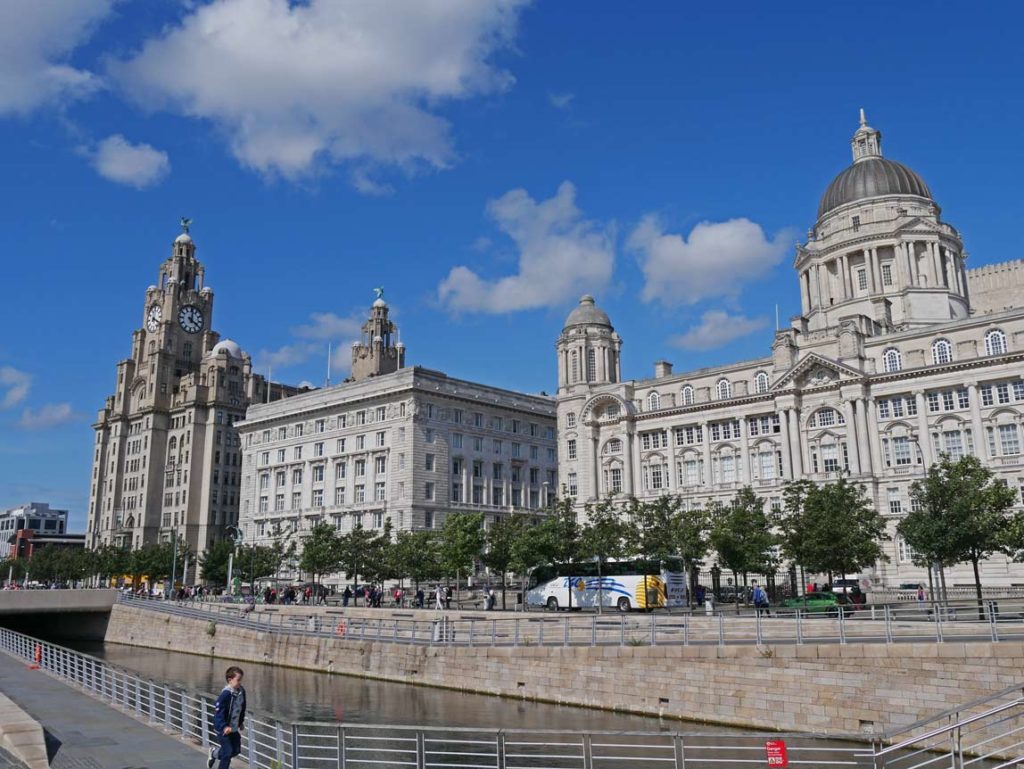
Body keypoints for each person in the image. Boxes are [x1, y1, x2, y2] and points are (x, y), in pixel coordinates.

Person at [207, 666, 246, 769]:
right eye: (238, 680)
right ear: (230, 680)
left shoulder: (241, 691)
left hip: (233, 728)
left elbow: (242, 707)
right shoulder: (226, 694)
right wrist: (224, 727)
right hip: (223, 728)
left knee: (236, 750)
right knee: (228, 753)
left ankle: (214, 753)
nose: (240, 682)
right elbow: (218, 713)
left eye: (241, 680)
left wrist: (240, 722)